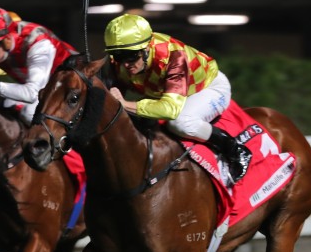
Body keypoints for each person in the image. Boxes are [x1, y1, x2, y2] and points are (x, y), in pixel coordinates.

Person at [104, 13, 251, 183]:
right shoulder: (119, 62)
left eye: (131, 56)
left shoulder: (173, 57)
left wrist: (125, 104)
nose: (125, 64)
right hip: (168, 93)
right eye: (118, 56)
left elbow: (170, 110)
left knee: (180, 122)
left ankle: (234, 149)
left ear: (146, 49)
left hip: (206, 88)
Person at [0, 6, 78, 126]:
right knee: (7, 105)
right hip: (44, 88)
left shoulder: (38, 44)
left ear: (7, 40)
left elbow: (32, 94)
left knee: (29, 113)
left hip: (73, 87)